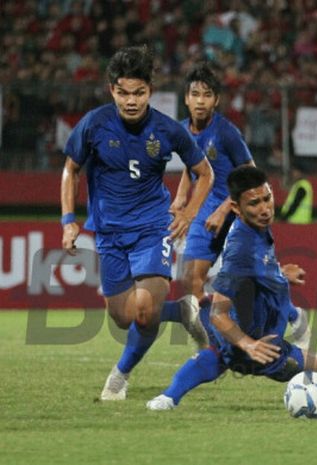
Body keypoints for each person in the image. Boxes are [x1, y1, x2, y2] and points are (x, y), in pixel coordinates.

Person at [146, 166, 317, 410]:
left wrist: (279, 274)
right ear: (236, 207)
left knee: (220, 357)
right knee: (315, 365)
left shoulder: (256, 231)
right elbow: (218, 313)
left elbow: (256, 270)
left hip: (257, 327)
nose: (265, 209)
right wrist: (249, 344)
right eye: (254, 204)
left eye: (267, 199)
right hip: (256, 338)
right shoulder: (240, 248)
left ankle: (168, 397)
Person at [60, 45, 214, 401]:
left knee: (145, 312)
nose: (131, 101)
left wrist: (189, 214)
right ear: (112, 89)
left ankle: (120, 375)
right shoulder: (95, 124)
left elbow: (203, 172)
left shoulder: (167, 130)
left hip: (152, 228)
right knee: (123, 317)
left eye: (139, 93)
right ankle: (183, 311)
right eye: (123, 92)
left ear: (150, 90)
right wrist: (69, 221)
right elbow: (71, 169)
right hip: (109, 233)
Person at [164, 62, 310, 350]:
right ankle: (210, 346)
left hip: (236, 210)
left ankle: (294, 315)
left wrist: (225, 208)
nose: (200, 101)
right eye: (195, 94)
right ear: (186, 98)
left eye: (207, 95)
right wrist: (181, 197)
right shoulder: (181, 130)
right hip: (204, 209)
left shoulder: (227, 132)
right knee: (190, 278)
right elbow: (189, 168)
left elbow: (252, 175)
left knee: (257, 277)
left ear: (216, 100)